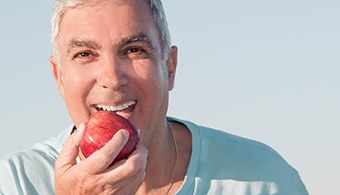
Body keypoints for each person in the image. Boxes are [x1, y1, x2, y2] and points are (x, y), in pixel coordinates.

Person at [0, 0, 309, 194]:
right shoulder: (15, 183)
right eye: (85, 53)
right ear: (59, 77)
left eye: (134, 50)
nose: (111, 78)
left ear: (170, 68)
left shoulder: (263, 179)